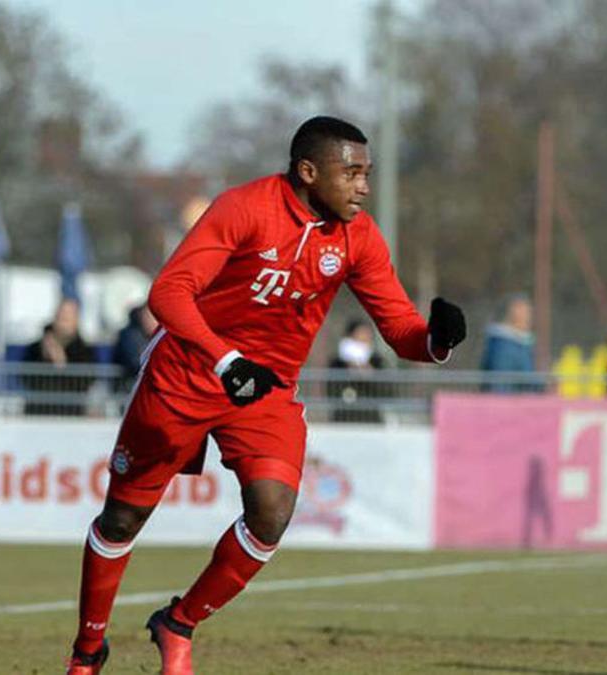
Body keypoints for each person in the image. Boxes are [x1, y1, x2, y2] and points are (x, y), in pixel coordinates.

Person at [64, 116, 467, 675]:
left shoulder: (358, 237)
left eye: (366, 174)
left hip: (265, 391)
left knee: (272, 514)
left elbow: (400, 330)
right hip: (185, 373)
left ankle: (177, 623)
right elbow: (168, 293)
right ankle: (88, 651)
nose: (363, 187)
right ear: (308, 172)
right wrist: (224, 359)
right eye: (351, 173)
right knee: (123, 520)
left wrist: (436, 340)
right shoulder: (246, 208)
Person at [23, 297, 96, 416]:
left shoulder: (85, 351)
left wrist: (62, 363)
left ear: (76, 320)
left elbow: (85, 384)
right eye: (60, 315)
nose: (62, 320)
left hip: (71, 415)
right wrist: (43, 357)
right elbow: (26, 378)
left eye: (67, 317)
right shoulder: (35, 348)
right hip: (37, 414)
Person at [327, 320, 386, 423]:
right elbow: (331, 390)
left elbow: (387, 391)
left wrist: (370, 376)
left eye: (367, 335)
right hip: (344, 418)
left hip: (371, 419)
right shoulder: (337, 362)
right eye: (360, 334)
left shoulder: (376, 360)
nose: (365, 338)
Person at [479, 294, 536, 392]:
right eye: (525, 311)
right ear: (513, 312)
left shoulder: (522, 344)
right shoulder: (503, 347)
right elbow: (500, 388)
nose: (529, 317)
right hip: (509, 405)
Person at [113, 304, 159, 386]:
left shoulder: (161, 336)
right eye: (148, 317)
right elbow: (135, 361)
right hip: (128, 386)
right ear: (141, 316)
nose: (152, 321)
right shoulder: (129, 335)